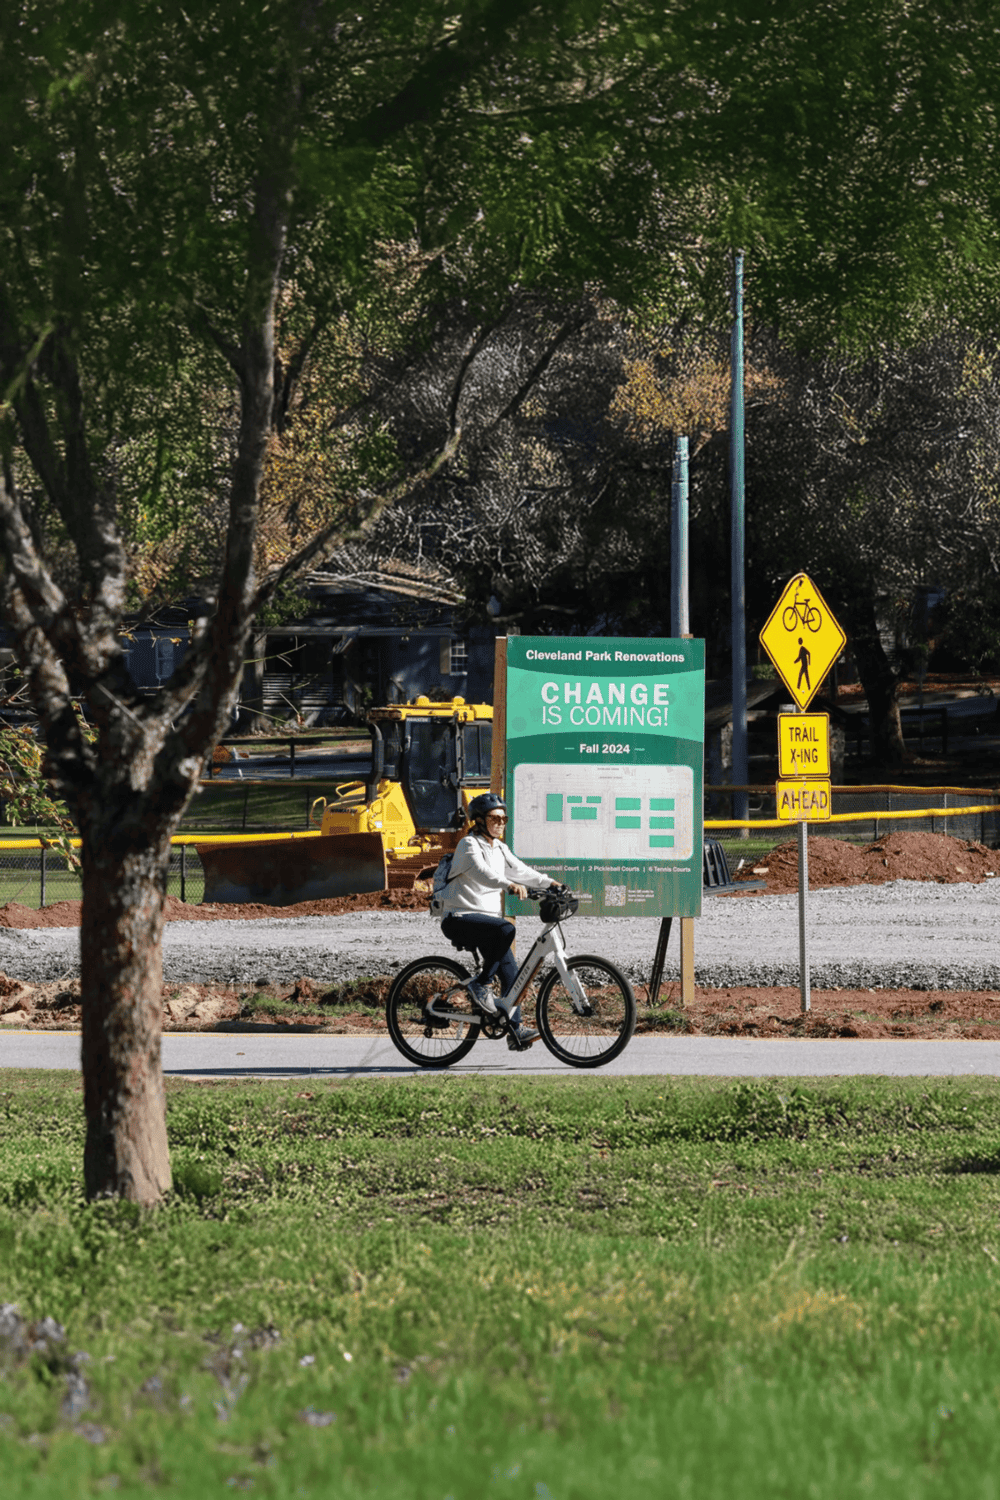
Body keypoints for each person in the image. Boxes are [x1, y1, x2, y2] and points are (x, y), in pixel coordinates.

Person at [439, 792, 561, 1050]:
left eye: (504, 818)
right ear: (480, 820)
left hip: (486, 924)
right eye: (495, 818)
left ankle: (515, 1032)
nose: (501, 823)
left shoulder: (500, 848)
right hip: (460, 917)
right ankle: (481, 984)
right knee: (506, 928)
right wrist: (509, 885)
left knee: (512, 975)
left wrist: (550, 883)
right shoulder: (469, 845)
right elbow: (482, 874)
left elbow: (522, 871)